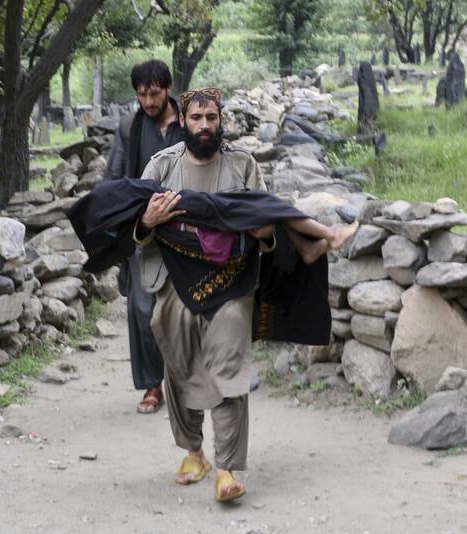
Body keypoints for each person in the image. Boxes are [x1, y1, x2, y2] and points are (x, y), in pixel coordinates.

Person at [133, 87, 355, 502]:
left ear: (221, 121)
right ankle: (194, 453)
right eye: (196, 118)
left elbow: (267, 225)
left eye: (211, 118)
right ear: (182, 121)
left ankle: (227, 468)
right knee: (178, 371)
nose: (204, 126)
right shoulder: (160, 168)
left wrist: (266, 235)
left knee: (228, 368)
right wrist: (147, 221)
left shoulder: (243, 166)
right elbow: (138, 234)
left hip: (232, 284)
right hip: (174, 284)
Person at [104, 60, 184, 414]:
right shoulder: (129, 127)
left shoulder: (191, 120)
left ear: (167, 89)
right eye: (141, 94)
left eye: (153, 94)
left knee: (190, 307)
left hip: (188, 228)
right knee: (142, 308)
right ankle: (153, 384)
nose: (148, 102)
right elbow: (115, 179)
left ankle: (187, 380)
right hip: (144, 229)